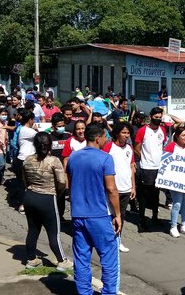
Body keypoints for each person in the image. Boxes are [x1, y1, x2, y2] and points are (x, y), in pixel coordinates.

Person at [67, 123, 122, 295]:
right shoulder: (105, 158)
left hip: (77, 214)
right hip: (99, 216)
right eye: (105, 136)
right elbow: (111, 189)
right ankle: (108, 292)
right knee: (108, 258)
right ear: (98, 138)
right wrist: (118, 214)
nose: (107, 140)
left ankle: (84, 292)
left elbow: (69, 183)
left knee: (81, 258)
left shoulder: (73, 157)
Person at [21, 132, 71, 271]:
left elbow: (25, 180)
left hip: (30, 196)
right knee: (53, 232)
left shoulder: (27, 160)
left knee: (33, 229)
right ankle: (62, 261)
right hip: (47, 197)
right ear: (50, 145)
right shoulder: (54, 161)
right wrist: (59, 193)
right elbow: (61, 181)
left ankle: (31, 259)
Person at [103, 122, 136, 252]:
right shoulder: (108, 147)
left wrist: (133, 187)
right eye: (123, 132)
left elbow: (131, 167)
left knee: (121, 216)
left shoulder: (129, 148)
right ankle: (108, 242)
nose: (126, 135)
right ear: (117, 133)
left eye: (128, 133)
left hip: (126, 189)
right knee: (110, 216)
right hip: (112, 190)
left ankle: (118, 241)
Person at [134, 107, 167, 230]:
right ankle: (141, 219)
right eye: (156, 117)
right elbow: (136, 147)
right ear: (151, 116)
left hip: (159, 167)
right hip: (146, 167)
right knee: (144, 194)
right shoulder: (143, 130)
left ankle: (155, 217)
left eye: (160, 117)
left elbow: (162, 146)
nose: (158, 119)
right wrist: (144, 158)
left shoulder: (162, 130)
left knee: (156, 193)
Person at [163, 126, 185, 238]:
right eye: (183, 135)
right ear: (177, 136)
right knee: (177, 203)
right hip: (175, 181)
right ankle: (173, 226)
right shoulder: (171, 147)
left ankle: (183, 225)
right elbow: (165, 161)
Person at [15, 110, 38, 214]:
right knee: (23, 183)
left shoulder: (25, 129)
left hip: (29, 159)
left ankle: (28, 203)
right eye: (33, 120)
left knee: (29, 183)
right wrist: (37, 129)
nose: (34, 122)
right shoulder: (26, 130)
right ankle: (22, 204)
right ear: (30, 120)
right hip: (24, 159)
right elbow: (41, 135)